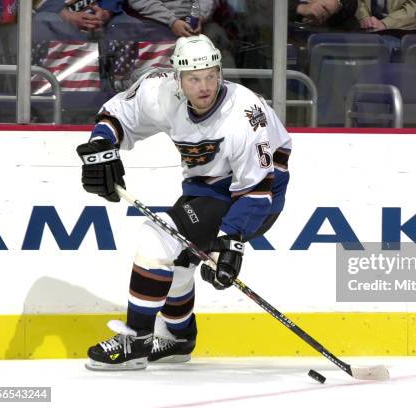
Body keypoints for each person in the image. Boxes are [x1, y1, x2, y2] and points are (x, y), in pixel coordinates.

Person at [76, 34, 292, 370]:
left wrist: (230, 240)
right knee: (178, 261)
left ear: (220, 72)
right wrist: (102, 148)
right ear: (178, 79)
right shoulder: (160, 92)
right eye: (194, 78)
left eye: (211, 75)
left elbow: (257, 190)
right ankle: (178, 338)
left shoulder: (245, 116)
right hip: (205, 187)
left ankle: (136, 340)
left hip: (255, 193)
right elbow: (116, 115)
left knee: (157, 237)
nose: (205, 86)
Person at [289, 0, 358, 30]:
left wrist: (338, 3)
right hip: (288, 35)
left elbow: (352, 3)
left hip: (335, 32)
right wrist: (299, 8)